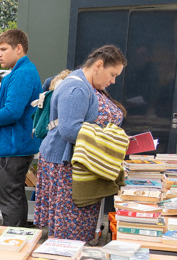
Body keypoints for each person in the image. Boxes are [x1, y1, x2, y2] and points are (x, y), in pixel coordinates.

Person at [34, 44, 127, 242]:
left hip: (66, 161)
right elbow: (70, 129)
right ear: (98, 65)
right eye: (112, 74)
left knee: (69, 230)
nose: (113, 81)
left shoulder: (83, 83)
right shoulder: (76, 88)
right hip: (64, 165)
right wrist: (108, 141)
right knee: (68, 233)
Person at [0, 29, 42, 227]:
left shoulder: (22, 74)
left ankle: (11, 243)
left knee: (8, 200)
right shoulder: (23, 72)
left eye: (3, 49)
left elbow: (12, 112)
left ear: (19, 48)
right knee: (15, 196)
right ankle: (18, 238)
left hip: (11, 148)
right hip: (16, 146)